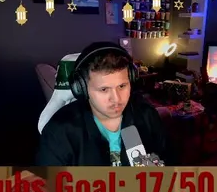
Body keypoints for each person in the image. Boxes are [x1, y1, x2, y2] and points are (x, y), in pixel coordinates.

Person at [36, 42, 172, 167]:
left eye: (122, 86)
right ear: (82, 88)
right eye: (104, 89)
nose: (116, 99)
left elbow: (167, 163)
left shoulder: (146, 116)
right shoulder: (59, 131)